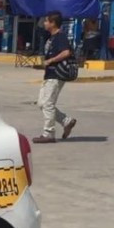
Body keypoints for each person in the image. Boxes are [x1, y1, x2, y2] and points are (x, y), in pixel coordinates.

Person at [32, 11, 78, 144]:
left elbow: (66, 52)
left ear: (53, 23)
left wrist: (51, 60)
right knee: (42, 103)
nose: (45, 23)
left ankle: (49, 133)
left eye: (46, 21)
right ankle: (66, 121)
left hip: (56, 74)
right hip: (49, 74)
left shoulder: (60, 36)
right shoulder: (52, 37)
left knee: (48, 104)